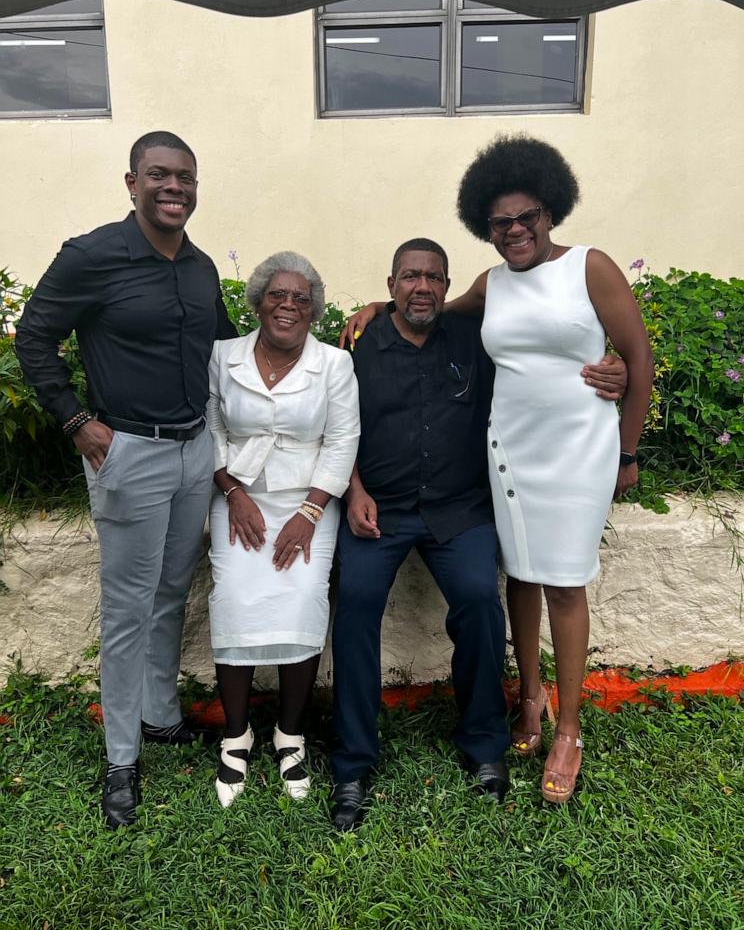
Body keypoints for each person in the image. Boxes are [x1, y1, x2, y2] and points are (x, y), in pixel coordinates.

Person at [329, 238, 628, 832]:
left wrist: (610, 368)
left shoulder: (476, 338)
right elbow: (336, 426)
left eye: (434, 278)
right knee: (355, 604)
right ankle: (353, 763)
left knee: (480, 605)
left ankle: (486, 744)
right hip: (378, 508)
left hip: (456, 511)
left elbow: (544, 367)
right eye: (410, 277)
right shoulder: (357, 347)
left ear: (447, 286)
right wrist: (353, 489)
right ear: (391, 283)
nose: (423, 288)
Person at [15, 131, 236, 829]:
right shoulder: (93, 256)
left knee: (173, 587)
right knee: (127, 607)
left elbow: (231, 348)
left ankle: (160, 716)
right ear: (132, 182)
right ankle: (120, 759)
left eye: (186, 178)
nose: (175, 188)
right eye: (160, 176)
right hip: (128, 454)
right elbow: (33, 337)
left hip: (194, 450)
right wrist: (77, 421)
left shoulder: (199, 267)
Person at [451, 134, 652, 803]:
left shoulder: (590, 268)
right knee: (522, 573)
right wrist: (376, 310)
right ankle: (530, 699)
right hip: (510, 447)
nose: (514, 230)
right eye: (500, 222)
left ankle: (568, 729)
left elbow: (638, 359)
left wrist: (627, 449)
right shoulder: (493, 284)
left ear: (551, 211)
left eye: (526, 217)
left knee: (564, 582)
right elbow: (433, 315)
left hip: (578, 452)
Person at [207, 252, 359, 807]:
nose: (287, 305)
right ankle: (236, 736)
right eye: (278, 294)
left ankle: (289, 735)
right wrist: (231, 491)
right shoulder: (224, 356)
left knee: (302, 603)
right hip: (237, 497)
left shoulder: (335, 365)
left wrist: (311, 512)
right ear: (259, 301)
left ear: (314, 309)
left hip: (309, 503)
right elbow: (212, 427)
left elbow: (343, 440)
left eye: (300, 298)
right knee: (234, 601)